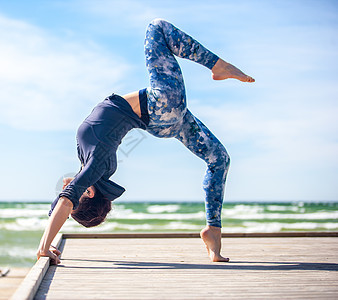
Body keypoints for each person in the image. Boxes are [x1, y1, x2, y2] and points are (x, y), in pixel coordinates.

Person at [37, 19, 254, 264]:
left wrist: (47, 241)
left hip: (162, 123)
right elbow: (66, 201)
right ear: (87, 191)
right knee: (157, 28)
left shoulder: (92, 167)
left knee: (219, 160)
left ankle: (213, 231)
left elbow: (60, 205)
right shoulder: (96, 166)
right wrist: (44, 249)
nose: (63, 192)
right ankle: (219, 66)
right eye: (75, 199)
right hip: (163, 103)